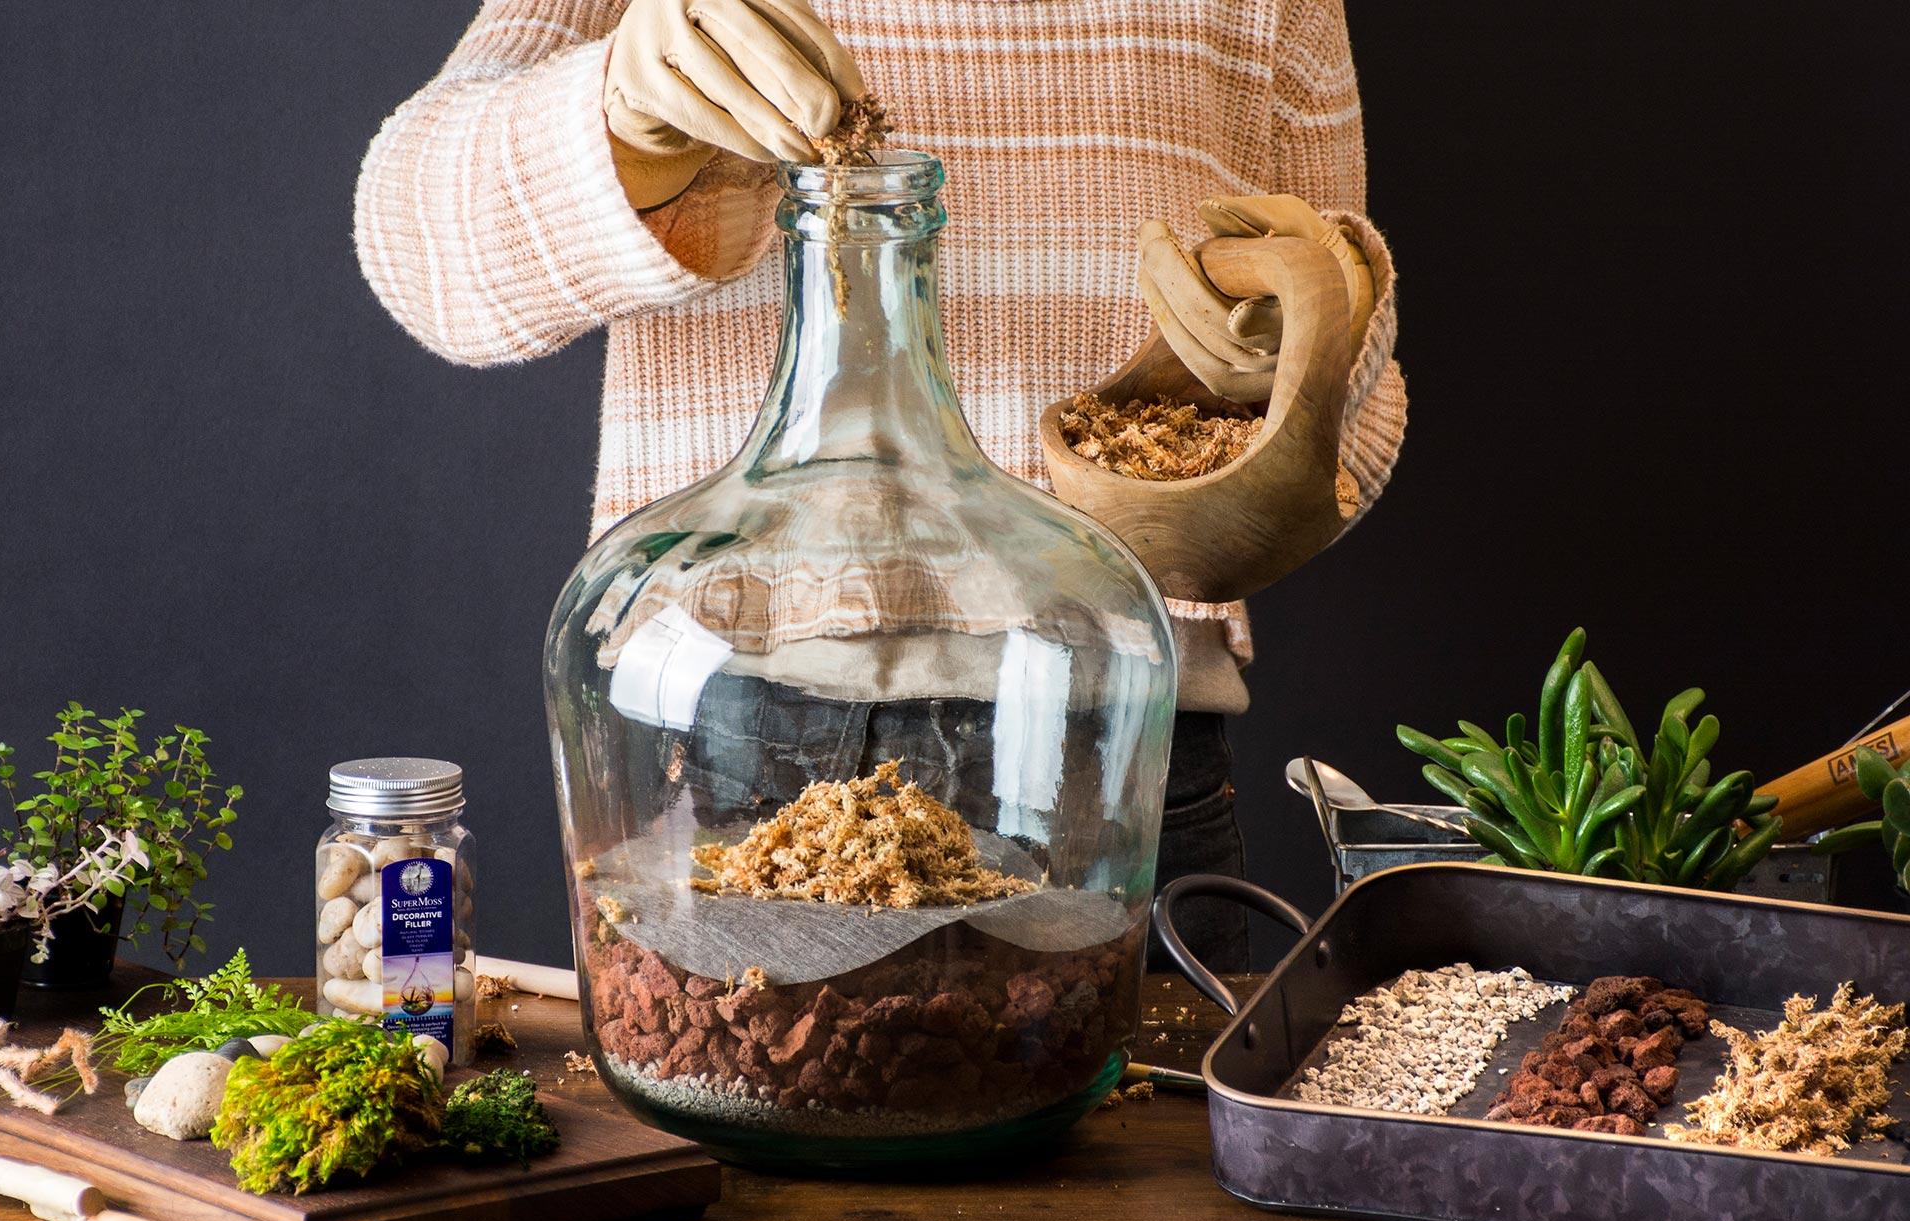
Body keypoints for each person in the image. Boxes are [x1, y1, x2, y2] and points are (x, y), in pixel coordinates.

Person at [355, 0, 1406, 973]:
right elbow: (421, 255)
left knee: (1129, 1160)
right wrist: (618, 113)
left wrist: (1297, 364)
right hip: (737, 732)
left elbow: (1351, 432)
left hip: (1117, 744)